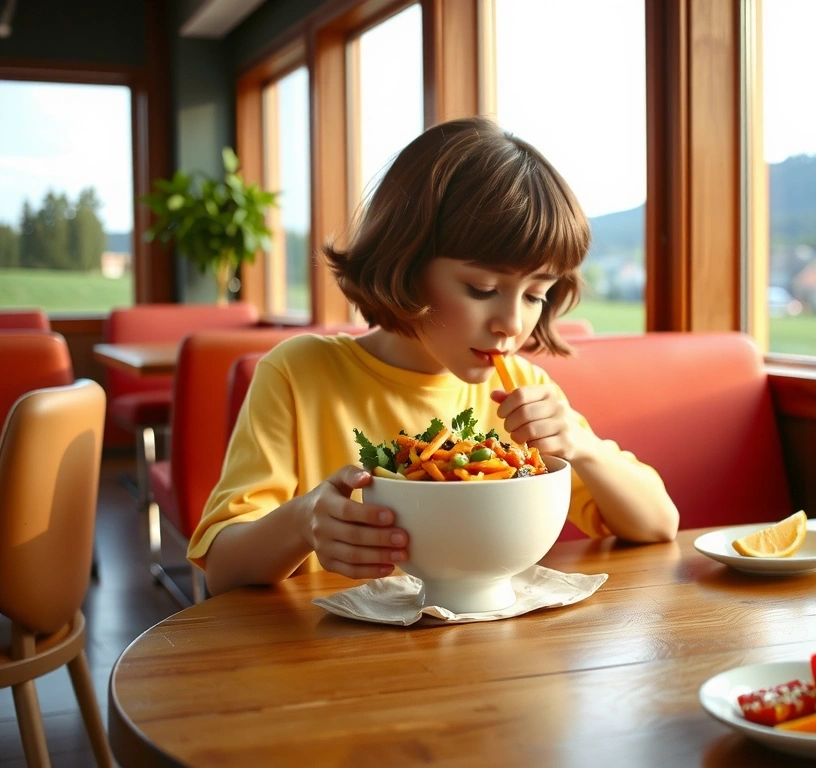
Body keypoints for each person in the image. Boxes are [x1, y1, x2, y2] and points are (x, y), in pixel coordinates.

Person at [187, 116, 679, 596]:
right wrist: (302, 523)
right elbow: (223, 568)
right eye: (482, 288)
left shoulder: (522, 388)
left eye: (535, 295)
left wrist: (581, 446)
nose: (512, 322)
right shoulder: (298, 373)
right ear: (406, 262)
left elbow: (659, 523)